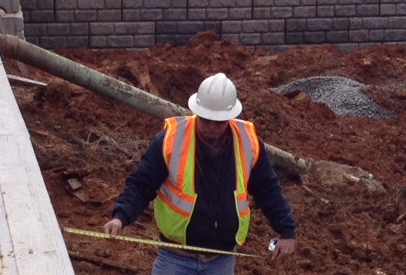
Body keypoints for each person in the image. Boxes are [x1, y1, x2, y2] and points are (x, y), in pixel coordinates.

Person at [103, 73, 297, 274]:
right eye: (206, 120)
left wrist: (286, 230)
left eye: (219, 122)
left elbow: (268, 190)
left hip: (221, 259)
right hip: (175, 256)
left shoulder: (248, 143)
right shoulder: (171, 140)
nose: (212, 127)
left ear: (230, 117)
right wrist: (121, 217)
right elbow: (141, 184)